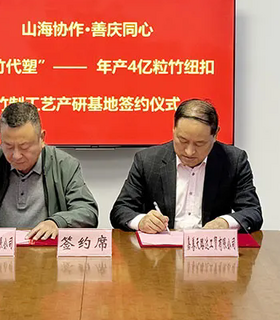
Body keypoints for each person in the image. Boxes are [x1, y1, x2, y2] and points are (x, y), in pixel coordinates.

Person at [0, 102, 98, 239]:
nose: (16, 155)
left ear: (42, 138)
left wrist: (57, 222)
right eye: (8, 146)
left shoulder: (65, 165)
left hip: (47, 255)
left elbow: (87, 211)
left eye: (24, 146)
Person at [110, 98, 262, 233]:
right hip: (161, 251)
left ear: (215, 135)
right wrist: (142, 221)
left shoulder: (234, 161)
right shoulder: (148, 160)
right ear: (174, 130)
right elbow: (120, 210)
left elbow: (252, 211)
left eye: (199, 143)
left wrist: (225, 222)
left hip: (209, 250)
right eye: (182, 140)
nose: (189, 151)